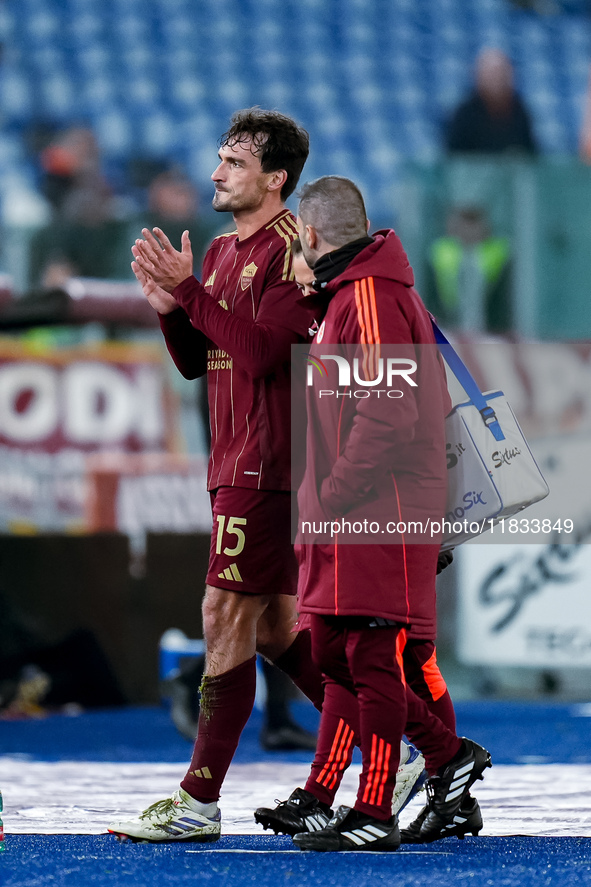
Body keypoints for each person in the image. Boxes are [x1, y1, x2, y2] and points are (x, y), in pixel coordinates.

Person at [106, 108, 327, 843]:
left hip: (270, 463)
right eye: (219, 159)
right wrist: (174, 309)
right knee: (270, 627)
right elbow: (205, 358)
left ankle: (198, 800)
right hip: (234, 459)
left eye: (232, 161)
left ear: (275, 178)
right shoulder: (229, 251)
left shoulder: (294, 248)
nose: (215, 172)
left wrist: (191, 294)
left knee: (221, 615)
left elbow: (266, 356)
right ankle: (404, 752)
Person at [254, 178, 491, 853]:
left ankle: (380, 803)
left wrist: (332, 493)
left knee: (371, 655)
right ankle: (404, 770)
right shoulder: (351, 297)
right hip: (357, 504)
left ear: (312, 234)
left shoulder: (369, 298)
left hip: (373, 505)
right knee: (335, 649)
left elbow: (384, 409)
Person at [446, 48, 538, 155]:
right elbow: (453, 157)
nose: (497, 79)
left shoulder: (519, 110)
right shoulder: (464, 113)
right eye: (491, 74)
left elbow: (531, 153)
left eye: (501, 73)